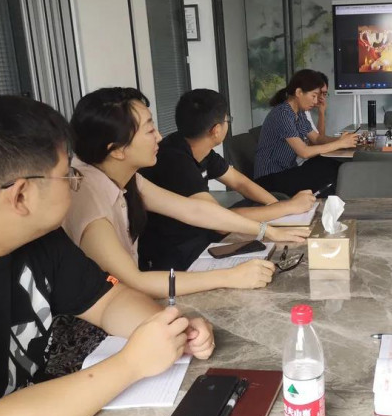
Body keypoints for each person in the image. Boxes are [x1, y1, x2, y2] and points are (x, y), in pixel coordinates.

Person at [0, 95, 212, 416]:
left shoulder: (36, 237)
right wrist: (130, 363)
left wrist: (168, 327)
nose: (75, 182)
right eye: (66, 174)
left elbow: (108, 300)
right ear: (20, 196)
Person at [63, 87, 309, 299]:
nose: (159, 137)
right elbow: (135, 281)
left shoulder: (126, 177)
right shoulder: (89, 200)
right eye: (149, 130)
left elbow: (196, 210)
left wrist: (269, 231)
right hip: (112, 310)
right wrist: (229, 276)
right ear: (116, 150)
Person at [138, 89, 316, 271]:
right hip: (177, 256)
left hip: (199, 236)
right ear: (216, 130)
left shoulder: (196, 148)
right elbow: (217, 220)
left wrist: (277, 206)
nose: (157, 137)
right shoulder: (175, 161)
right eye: (227, 119)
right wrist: (287, 207)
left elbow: (240, 183)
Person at [254, 69, 358, 196]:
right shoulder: (282, 114)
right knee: (329, 174)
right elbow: (304, 152)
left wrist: (343, 140)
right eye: (313, 96)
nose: (316, 101)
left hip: (287, 171)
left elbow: (317, 139)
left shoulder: (299, 113)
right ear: (299, 92)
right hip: (269, 179)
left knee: (332, 164)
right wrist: (339, 144)